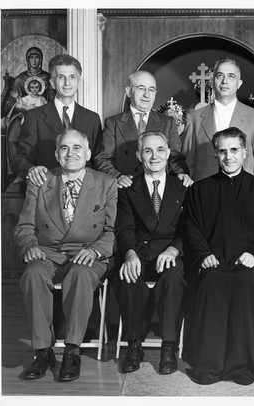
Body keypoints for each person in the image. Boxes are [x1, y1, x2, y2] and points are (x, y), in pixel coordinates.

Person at [14, 129, 117, 382]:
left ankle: (72, 351)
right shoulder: (40, 181)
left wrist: (93, 250)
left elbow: (111, 231)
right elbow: (24, 226)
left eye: (77, 148)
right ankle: (43, 352)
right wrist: (30, 246)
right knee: (33, 274)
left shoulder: (106, 183)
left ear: (89, 153)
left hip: (88, 253)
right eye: (64, 148)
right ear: (57, 154)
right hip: (48, 252)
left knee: (80, 275)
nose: (71, 154)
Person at [183, 127, 254, 385]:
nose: (229, 156)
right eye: (223, 151)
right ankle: (209, 365)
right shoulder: (199, 190)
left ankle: (241, 366)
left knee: (245, 282)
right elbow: (192, 229)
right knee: (212, 281)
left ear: (245, 152)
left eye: (234, 150)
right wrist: (203, 254)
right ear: (215, 154)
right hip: (213, 264)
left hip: (247, 265)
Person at [112, 131, 188, 375]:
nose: (154, 156)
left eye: (160, 150)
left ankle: (169, 346)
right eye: (147, 150)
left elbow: (191, 230)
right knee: (127, 276)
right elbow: (124, 228)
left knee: (174, 278)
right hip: (140, 250)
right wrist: (130, 254)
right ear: (139, 155)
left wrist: (174, 249)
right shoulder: (127, 187)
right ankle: (134, 345)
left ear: (168, 153)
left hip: (171, 252)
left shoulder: (184, 187)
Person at [10, 54, 102, 186]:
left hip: (84, 194)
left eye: (72, 77)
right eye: (61, 77)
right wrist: (31, 170)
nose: (67, 83)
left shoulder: (92, 118)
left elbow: (98, 160)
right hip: (47, 191)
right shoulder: (34, 117)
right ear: (52, 83)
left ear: (78, 82)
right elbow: (19, 159)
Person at [94, 71, 192, 188]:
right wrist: (118, 177)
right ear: (129, 91)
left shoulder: (168, 122)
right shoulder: (113, 123)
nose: (146, 95)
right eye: (141, 88)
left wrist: (181, 173)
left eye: (151, 90)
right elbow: (102, 159)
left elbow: (175, 157)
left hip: (158, 190)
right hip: (126, 190)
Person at [181, 57, 254, 182]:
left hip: (245, 195)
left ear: (239, 83)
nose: (225, 81)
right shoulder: (194, 119)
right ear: (213, 81)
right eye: (220, 76)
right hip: (205, 194)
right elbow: (187, 165)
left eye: (231, 76)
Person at [4, 46, 54, 115]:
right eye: (31, 57)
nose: (34, 60)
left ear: (40, 59)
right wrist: (25, 108)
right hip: (22, 114)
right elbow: (10, 104)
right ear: (28, 60)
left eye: (36, 57)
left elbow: (53, 102)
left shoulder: (47, 78)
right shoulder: (20, 79)